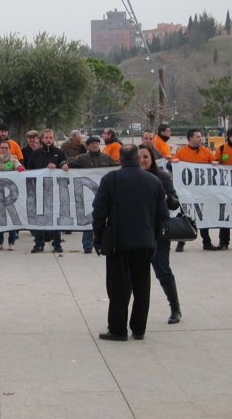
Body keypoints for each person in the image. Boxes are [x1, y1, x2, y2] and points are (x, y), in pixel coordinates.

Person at [93, 144, 169, 341]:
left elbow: (99, 211)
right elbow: (162, 214)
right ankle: (139, 328)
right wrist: (154, 235)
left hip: (118, 241)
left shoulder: (110, 179)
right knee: (142, 286)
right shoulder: (153, 181)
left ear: (120, 159)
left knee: (118, 287)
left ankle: (118, 329)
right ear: (137, 159)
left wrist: (98, 236)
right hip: (145, 241)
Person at [138, 144, 182, 324]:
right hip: (138, 231)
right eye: (139, 157)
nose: (142, 161)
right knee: (136, 274)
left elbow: (175, 203)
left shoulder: (162, 177)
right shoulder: (131, 177)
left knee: (163, 270)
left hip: (158, 231)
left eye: (146, 157)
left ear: (152, 159)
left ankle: (175, 307)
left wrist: (166, 197)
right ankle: (137, 312)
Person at [171, 128, 219, 251]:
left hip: (202, 192)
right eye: (197, 137)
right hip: (187, 192)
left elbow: (213, 162)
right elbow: (171, 165)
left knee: (203, 216)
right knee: (185, 216)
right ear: (190, 138)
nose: (200, 139)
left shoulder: (206, 151)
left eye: (200, 136)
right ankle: (181, 242)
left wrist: (214, 163)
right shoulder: (181, 152)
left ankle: (206, 242)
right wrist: (174, 163)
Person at [68, 135, 117, 253]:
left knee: (106, 219)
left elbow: (117, 165)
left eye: (97, 143)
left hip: (105, 194)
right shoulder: (82, 158)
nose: (95, 145)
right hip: (88, 195)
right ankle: (87, 245)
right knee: (88, 219)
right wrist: (64, 163)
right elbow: (69, 163)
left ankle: (105, 241)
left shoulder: (107, 158)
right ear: (88, 146)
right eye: (92, 143)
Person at [25, 129, 69, 253]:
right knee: (39, 218)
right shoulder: (35, 153)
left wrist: (60, 167)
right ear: (42, 139)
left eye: (50, 138)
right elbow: (29, 171)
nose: (48, 140)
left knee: (55, 217)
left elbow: (65, 166)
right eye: (46, 138)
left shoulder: (60, 153)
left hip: (55, 192)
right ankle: (39, 243)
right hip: (39, 191)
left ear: (54, 139)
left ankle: (57, 244)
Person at [0, 140, 24, 250]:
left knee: (11, 218)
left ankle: (11, 242)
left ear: (9, 149)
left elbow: (18, 164)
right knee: (0, 218)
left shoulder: (13, 159)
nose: (4, 149)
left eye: (6, 148)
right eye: (2, 147)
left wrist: (19, 167)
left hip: (10, 194)